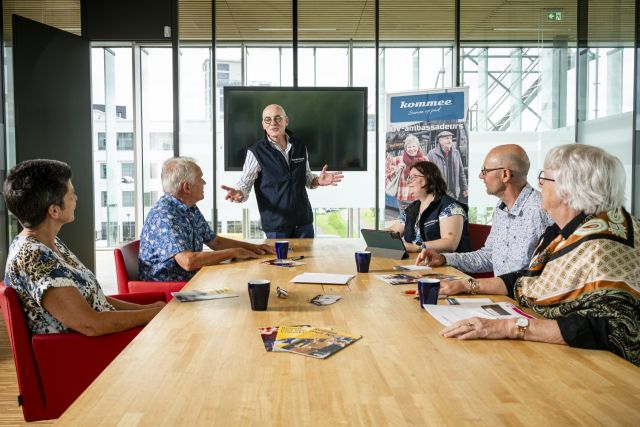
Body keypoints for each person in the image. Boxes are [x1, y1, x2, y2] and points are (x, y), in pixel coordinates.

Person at [438, 144, 640, 366]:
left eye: (545, 177)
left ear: (569, 189)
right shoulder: (566, 231)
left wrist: (507, 326)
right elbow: (530, 278)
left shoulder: (602, 245)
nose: (539, 184)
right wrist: (467, 285)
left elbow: (612, 328)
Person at [3, 159, 165, 336]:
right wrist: (151, 315)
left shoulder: (48, 244)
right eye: (71, 194)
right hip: (87, 352)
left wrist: (148, 309)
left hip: (105, 341)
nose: (76, 198)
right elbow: (91, 324)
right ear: (54, 211)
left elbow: (94, 300)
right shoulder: (34, 258)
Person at [416, 144, 552, 276]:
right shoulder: (501, 209)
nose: (481, 176)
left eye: (485, 171)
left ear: (505, 174)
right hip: (502, 295)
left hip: (522, 298)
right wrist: (444, 258)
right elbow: (489, 256)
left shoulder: (542, 210)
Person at [139, 157, 275, 282]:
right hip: (171, 288)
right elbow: (188, 262)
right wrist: (234, 252)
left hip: (192, 280)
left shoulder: (189, 208)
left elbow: (215, 242)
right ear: (186, 187)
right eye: (200, 178)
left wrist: (255, 248)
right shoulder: (164, 216)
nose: (204, 182)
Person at [221, 104, 343, 238]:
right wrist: (238, 194)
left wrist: (318, 181)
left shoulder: (300, 146)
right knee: (279, 260)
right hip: (276, 227)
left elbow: (307, 179)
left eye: (277, 118)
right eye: (268, 119)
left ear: (286, 121)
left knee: (308, 260)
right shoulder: (255, 152)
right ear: (263, 124)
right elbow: (244, 186)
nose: (273, 123)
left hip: (304, 223)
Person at [387, 161, 470, 253]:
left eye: (413, 177)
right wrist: (376, 234)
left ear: (429, 178)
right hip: (417, 262)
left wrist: (416, 247)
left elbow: (449, 243)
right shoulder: (412, 208)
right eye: (408, 178)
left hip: (447, 265)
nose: (408, 182)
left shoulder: (451, 207)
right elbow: (393, 230)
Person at [385, 133, 427, 211]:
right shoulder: (397, 160)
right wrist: (397, 169)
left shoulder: (425, 160)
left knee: (417, 222)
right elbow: (388, 176)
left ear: (418, 147)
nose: (412, 149)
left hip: (419, 198)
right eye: (409, 147)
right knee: (405, 222)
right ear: (405, 148)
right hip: (403, 199)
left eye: (414, 146)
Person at [426, 130, 468, 202]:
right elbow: (426, 174)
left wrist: (465, 188)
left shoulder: (456, 153)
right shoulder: (432, 154)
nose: (450, 141)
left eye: (451, 138)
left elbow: (461, 172)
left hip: (454, 193)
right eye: (447, 138)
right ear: (440, 141)